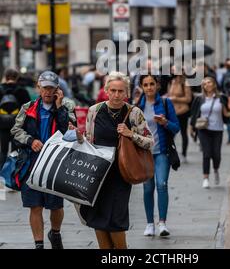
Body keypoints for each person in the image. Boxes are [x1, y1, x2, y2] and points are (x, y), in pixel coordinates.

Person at [76, 72, 153, 249]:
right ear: (106, 91)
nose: (117, 94)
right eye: (113, 90)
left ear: (126, 92)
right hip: (97, 174)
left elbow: (150, 142)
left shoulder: (134, 113)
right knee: (97, 218)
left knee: (116, 219)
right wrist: (78, 137)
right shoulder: (94, 111)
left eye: (120, 91)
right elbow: (88, 141)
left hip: (121, 173)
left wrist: (130, 134)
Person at [11, 71, 76, 249]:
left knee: (56, 206)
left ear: (57, 90)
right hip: (31, 163)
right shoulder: (28, 107)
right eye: (44, 87)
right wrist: (31, 141)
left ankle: (55, 233)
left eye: (51, 88)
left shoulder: (67, 106)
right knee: (35, 206)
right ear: (38, 88)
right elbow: (16, 131)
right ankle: (38, 244)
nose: (48, 92)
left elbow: (70, 133)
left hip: (55, 165)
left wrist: (59, 107)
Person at [138, 74, 180, 237]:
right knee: (148, 188)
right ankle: (150, 224)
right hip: (144, 154)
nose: (149, 87)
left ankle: (162, 223)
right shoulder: (137, 106)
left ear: (157, 86)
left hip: (162, 152)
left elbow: (176, 128)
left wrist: (165, 123)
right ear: (142, 87)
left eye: (152, 84)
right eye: (146, 85)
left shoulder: (165, 103)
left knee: (162, 184)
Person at [190, 77, 230, 189]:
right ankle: (206, 178)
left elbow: (226, 113)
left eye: (209, 82)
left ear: (214, 85)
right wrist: (191, 128)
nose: (207, 85)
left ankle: (216, 170)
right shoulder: (199, 99)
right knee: (206, 154)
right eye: (204, 83)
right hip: (203, 130)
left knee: (216, 155)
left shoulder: (221, 98)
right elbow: (194, 114)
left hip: (218, 130)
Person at [0, 68, 31, 169]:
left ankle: (1, 172)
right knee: (16, 150)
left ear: (6, 77)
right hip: (18, 125)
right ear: (17, 77)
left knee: (3, 150)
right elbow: (28, 108)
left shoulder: (0, 89)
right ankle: (13, 171)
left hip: (2, 123)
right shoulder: (22, 90)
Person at [167, 72, 192, 163]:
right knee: (170, 133)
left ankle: (184, 154)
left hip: (182, 111)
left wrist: (175, 98)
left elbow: (188, 98)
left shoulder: (185, 83)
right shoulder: (171, 82)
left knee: (183, 133)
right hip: (172, 112)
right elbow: (169, 95)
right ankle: (170, 152)